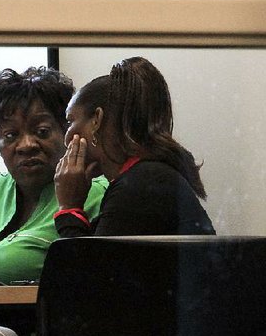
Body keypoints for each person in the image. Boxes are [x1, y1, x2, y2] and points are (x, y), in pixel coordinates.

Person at [0, 67, 107, 287]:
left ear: (67, 132)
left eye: (41, 131)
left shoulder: (94, 191)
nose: (26, 145)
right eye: (11, 135)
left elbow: (90, 282)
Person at [54, 56, 215, 237]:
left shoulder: (140, 185)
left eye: (70, 122)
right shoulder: (143, 177)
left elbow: (83, 264)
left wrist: (69, 208)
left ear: (96, 121)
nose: (66, 139)